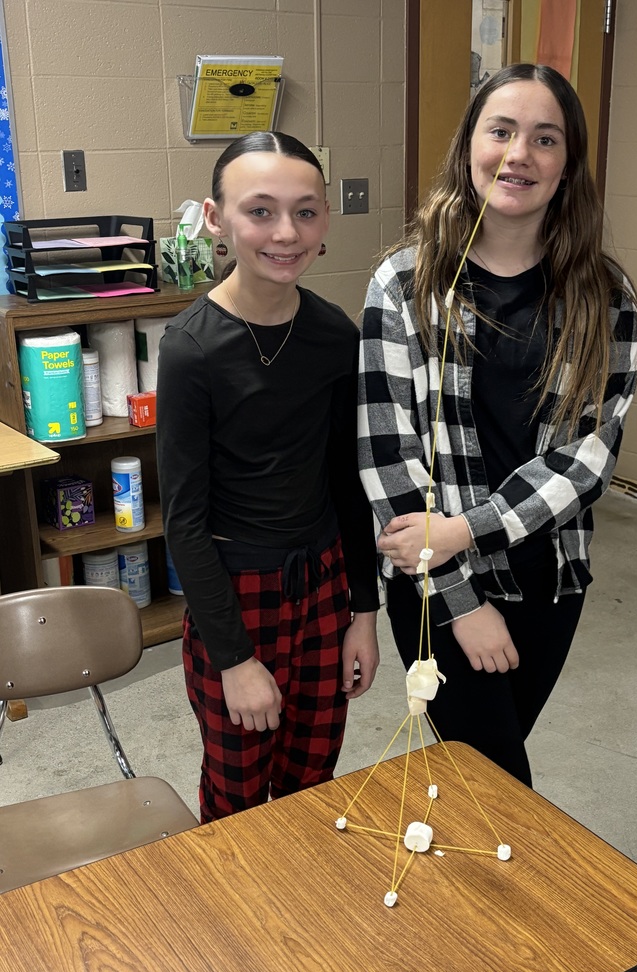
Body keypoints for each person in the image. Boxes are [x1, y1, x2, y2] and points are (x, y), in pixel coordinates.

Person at [358, 64, 637, 791]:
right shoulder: (406, 282)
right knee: (495, 782)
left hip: (550, 579)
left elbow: (588, 458)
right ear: (469, 147)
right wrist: (461, 601)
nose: (520, 154)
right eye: (502, 131)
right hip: (434, 582)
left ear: (568, 166)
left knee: (482, 772)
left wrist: (467, 528)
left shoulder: (604, 296)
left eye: (545, 139)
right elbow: (388, 459)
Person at [157, 131, 380, 823]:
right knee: (239, 795)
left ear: (324, 221)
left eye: (305, 212)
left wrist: (364, 615)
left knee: (313, 779)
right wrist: (234, 659)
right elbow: (184, 521)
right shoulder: (191, 348)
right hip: (236, 594)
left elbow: (349, 485)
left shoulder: (335, 334)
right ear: (216, 219)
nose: (286, 233)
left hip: (323, 582)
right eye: (260, 211)